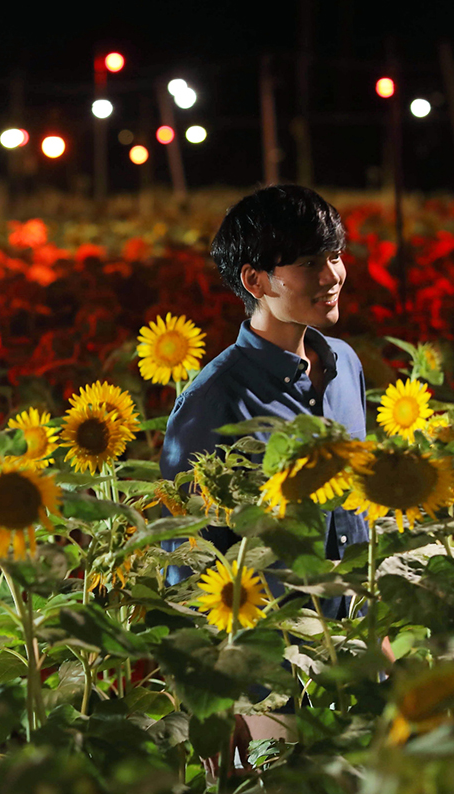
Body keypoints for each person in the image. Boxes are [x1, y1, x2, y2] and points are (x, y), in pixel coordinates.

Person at [161, 185, 368, 607]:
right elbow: (187, 565)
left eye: (334, 256)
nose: (332, 276)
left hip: (357, 634)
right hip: (277, 638)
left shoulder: (345, 366)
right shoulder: (213, 401)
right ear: (254, 280)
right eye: (309, 263)